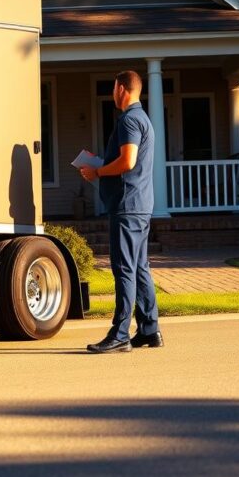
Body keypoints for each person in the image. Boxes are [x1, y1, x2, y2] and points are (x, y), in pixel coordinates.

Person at [79, 70, 163, 353]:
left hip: (127, 206)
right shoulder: (143, 119)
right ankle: (150, 329)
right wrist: (100, 163)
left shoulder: (129, 120)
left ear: (122, 90)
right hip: (139, 204)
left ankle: (120, 333)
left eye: (114, 88)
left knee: (124, 269)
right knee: (139, 268)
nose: (112, 93)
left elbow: (127, 161)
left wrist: (98, 171)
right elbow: (129, 160)